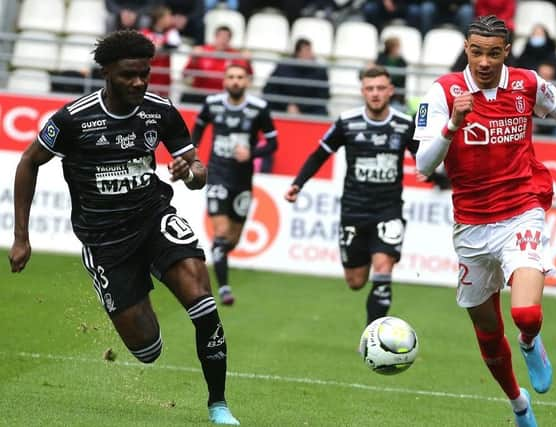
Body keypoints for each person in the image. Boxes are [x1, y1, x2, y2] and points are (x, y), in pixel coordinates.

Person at [8, 30, 239, 426]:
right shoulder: (72, 119)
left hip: (153, 219)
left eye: (144, 74)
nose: (139, 82)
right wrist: (21, 237)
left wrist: (190, 173)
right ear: (107, 73)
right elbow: (28, 162)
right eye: (129, 75)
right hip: (105, 241)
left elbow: (198, 171)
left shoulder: (160, 111)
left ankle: (218, 405)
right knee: (147, 350)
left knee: (202, 302)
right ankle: (134, 294)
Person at [413, 15, 556, 427]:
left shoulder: (527, 84)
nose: (485, 62)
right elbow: (422, 165)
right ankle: (518, 402)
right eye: (477, 52)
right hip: (471, 226)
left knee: (525, 314)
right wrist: (453, 124)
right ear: (466, 49)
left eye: (494, 53)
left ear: (506, 51)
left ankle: (530, 341)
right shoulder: (441, 92)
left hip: (521, 209)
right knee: (488, 334)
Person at [285, 65, 418, 326]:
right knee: (355, 282)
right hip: (353, 211)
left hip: (389, 210)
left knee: (383, 270)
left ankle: (372, 334)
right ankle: (367, 260)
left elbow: (424, 158)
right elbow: (319, 154)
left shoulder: (404, 125)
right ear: (362, 92)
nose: (376, 94)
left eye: (381, 88)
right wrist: (298, 184)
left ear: (390, 91)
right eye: (370, 89)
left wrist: (434, 175)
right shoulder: (347, 122)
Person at [192, 63, 278, 306]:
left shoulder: (259, 108)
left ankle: (219, 257)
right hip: (218, 175)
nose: (235, 81)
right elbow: (197, 129)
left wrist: (253, 152)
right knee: (220, 234)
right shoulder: (212, 104)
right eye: (231, 77)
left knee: (232, 240)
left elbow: (273, 143)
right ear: (224, 81)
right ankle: (224, 289)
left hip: (242, 181)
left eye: (240, 77)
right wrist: (192, 153)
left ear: (248, 81)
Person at [182, 25, 253, 105]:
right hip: (200, 93)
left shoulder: (235, 55)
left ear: (230, 39)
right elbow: (185, 75)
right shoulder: (202, 52)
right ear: (215, 37)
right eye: (220, 37)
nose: (223, 40)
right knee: (185, 97)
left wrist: (248, 62)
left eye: (226, 38)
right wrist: (193, 59)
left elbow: (249, 76)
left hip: (223, 95)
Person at [262, 38, 330, 116]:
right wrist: (288, 105)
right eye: (305, 51)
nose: (310, 54)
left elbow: (324, 96)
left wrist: (300, 107)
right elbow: (269, 90)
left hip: (310, 109)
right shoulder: (282, 67)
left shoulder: (320, 71)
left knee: (321, 111)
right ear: (297, 53)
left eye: (309, 51)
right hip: (282, 107)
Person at [140, 5, 182, 97]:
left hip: (163, 78)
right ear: (159, 19)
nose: (170, 19)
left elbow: (175, 45)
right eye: (168, 16)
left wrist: (160, 46)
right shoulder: (145, 32)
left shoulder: (171, 32)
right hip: (146, 75)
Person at [375, 36, 408, 109]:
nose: (398, 49)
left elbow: (401, 81)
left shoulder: (402, 62)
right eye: (397, 46)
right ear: (391, 47)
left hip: (396, 96)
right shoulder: (381, 58)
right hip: (381, 92)